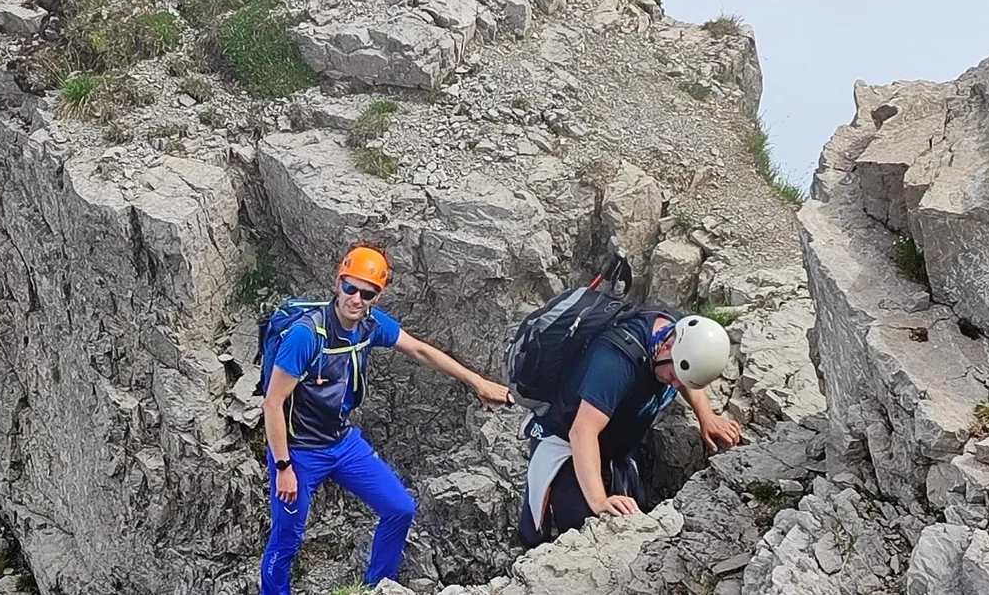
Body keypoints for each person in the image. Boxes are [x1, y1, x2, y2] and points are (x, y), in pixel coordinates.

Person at [259, 244, 513, 594]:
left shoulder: (370, 325)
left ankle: (376, 587)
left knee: (400, 509)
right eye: (350, 287)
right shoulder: (307, 335)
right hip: (298, 451)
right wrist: (283, 467)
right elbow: (272, 403)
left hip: (342, 443)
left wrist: (477, 382)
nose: (356, 299)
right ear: (338, 282)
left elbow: (420, 350)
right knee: (287, 539)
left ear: (376, 297)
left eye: (367, 293)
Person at [516, 309, 741, 547]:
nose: (675, 385)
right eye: (673, 376)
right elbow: (582, 432)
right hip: (567, 443)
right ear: (667, 348)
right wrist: (599, 501)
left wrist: (706, 416)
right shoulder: (616, 359)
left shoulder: (673, 337)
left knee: (632, 519)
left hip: (614, 444)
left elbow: (684, 372)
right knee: (584, 526)